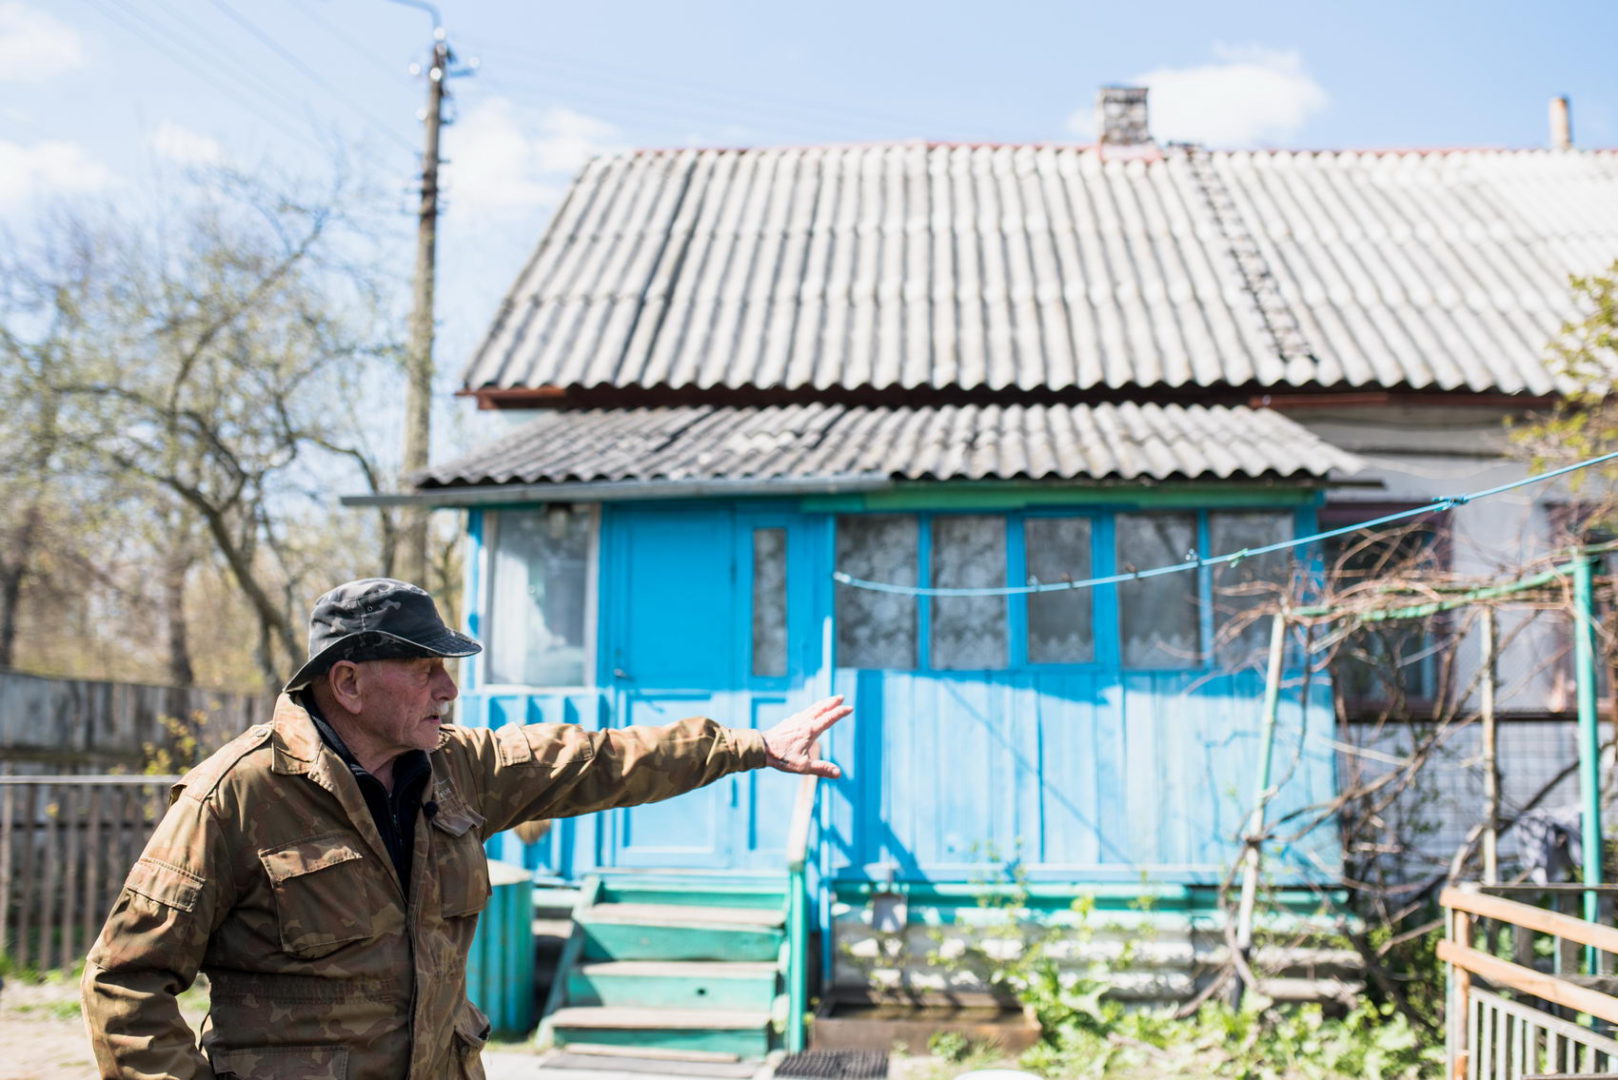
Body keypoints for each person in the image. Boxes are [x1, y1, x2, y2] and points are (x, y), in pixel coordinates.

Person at [81, 578, 850, 1080]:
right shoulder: (237, 795)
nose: (448, 688)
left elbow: (595, 759)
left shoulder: (456, 768)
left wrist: (750, 747)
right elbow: (124, 981)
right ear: (347, 683)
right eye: (424, 670)